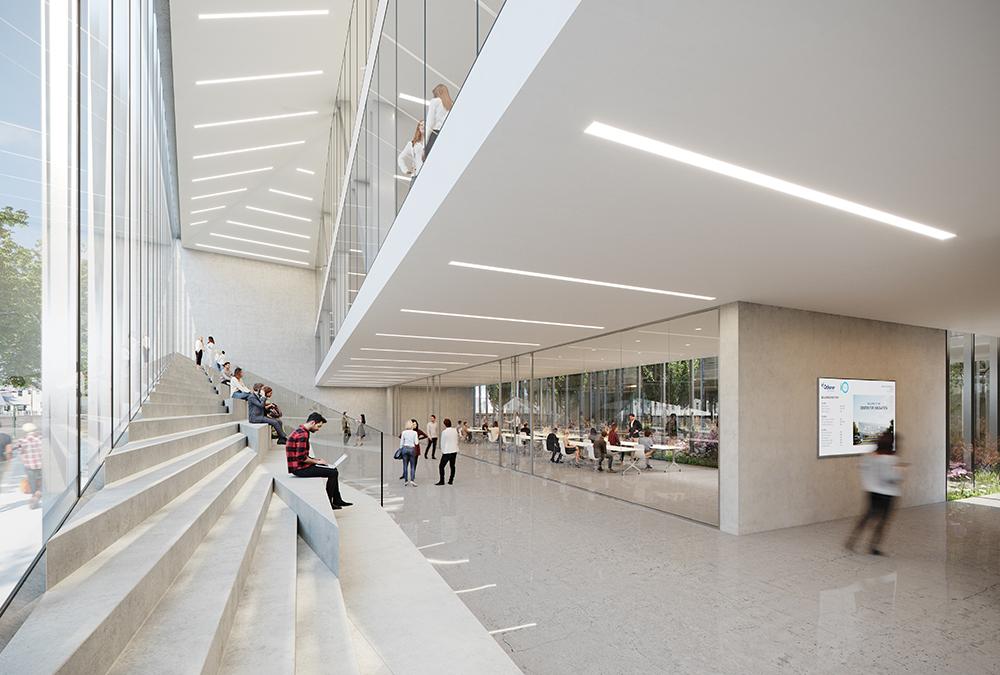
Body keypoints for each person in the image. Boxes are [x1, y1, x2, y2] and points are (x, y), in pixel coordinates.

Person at [845, 431, 903, 555]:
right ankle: (873, 546)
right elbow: (892, 477)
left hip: (872, 492)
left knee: (866, 517)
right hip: (887, 494)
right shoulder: (890, 459)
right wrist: (899, 471)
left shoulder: (868, 456)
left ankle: (852, 540)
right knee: (882, 521)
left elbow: (862, 468)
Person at [286, 413, 351, 510]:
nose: (318, 429)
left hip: (300, 466)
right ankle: (330, 502)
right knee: (333, 473)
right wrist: (317, 462)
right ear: (312, 423)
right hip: (299, 468)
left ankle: (337, 499)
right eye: (318, 426)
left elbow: (302, 455)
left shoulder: (301, 431)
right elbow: (301, 458)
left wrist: (316, 460)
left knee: (333, 469)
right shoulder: (302, 435)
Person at [15, 423, 42, 509]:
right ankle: (37, 495)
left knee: (32, 483)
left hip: (29, 466)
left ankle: (34, 496)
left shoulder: (21, 441)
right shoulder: (40, 438)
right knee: (41, 483)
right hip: (41, 465)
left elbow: (20, 453)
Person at [422, 83, 453, 159]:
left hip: (435, 134)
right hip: (447, 136)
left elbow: (430, 123)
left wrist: (424, 145)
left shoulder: (435, 101)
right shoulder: (451, 104)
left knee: (427, 159)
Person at [435, 418, 459, 485]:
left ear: (445, 424)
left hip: (447, 451)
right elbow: (457, 439)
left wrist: (443, 450)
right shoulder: (455, 430)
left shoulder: (444, 432)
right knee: (452, 465)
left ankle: (442, 481)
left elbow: (442, 442)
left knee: (441, 466)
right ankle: (451, 480)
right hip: (454, 450)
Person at [400, 420, 419, 486]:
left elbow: (401, 443)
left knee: (405, 465)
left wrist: (401, 449)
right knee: (412, 466)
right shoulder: (414, 433)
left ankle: (406, 481)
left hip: (405, 448)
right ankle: (412, 480)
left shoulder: (404, 432)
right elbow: (416, 442)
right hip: (412, 449)